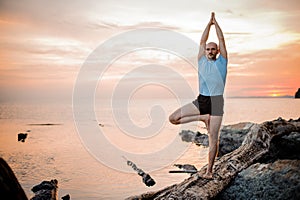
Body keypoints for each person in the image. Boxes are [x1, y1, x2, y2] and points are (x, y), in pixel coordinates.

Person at [169, 12, 227, 179]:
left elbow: (222, 40)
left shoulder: (222, 61)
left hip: (216, 102)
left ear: (217, 51)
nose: (209, 51)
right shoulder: (201, 60)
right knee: (173, 118)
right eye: (208, 49)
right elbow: (202, 41)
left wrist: (216, 26)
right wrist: (208, 25)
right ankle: (202, 118)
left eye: (212, 49)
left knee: (213, 139)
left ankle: (209, 171)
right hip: (201, 99)